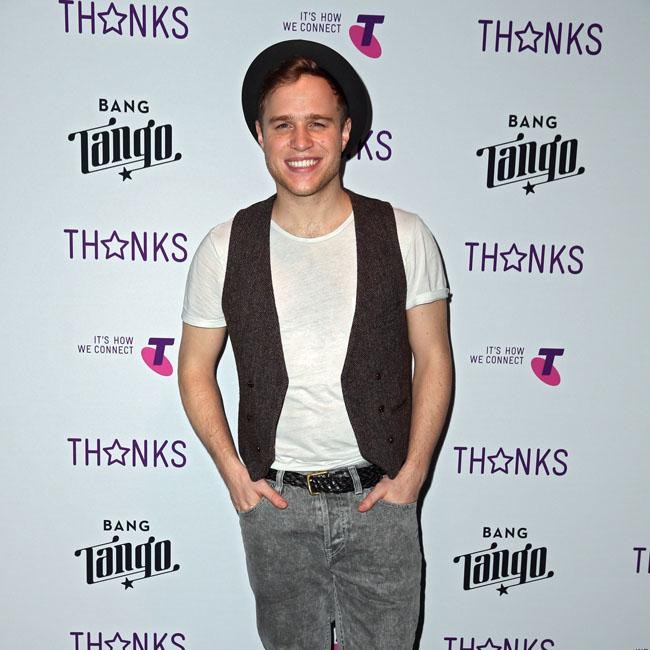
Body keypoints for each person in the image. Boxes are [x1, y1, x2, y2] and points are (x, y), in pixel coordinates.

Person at [179, 39, 452, 650]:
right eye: (283, 124)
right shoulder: (224, 246)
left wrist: (413, 475)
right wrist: (234, 475)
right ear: (260, 135)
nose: (300, 141)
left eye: (318, 123)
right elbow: (194, 369)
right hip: (276, 506)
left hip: (381, 500)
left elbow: (434, 358)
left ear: (346, 131)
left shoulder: (405, 235)